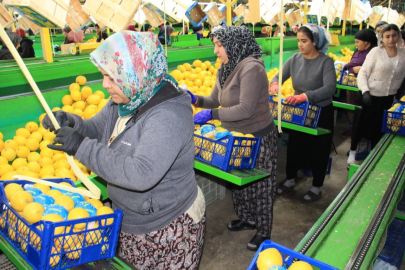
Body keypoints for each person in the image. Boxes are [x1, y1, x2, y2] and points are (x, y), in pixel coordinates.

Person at [41, 31, 205, 269]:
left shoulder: (169, 115)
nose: (105, 84)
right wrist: (71, 122)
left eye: (112, 78)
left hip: (168, 227)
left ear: (135, 74)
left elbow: (141, 173)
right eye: (104, 76)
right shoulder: (130, 97)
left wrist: (80, 146)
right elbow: (98, 128)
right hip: (131, 220)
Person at [188, 26, 277, 251]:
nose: (215, 50)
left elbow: (245, 109)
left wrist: (213, 115)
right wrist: (196, 99)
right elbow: (215, 99)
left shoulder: (251, 68)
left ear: (235, 43)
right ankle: (246, 218)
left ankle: (264, 231)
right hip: (235, 137)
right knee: (239, 183)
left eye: (219, 44)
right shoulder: (225, 68)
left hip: (258, 137)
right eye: (215, 44)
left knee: (260, 186)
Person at [270, 24, 336, 201]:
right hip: (300, 112)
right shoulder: (294, 59)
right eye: (298, 40)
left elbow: (330, 88)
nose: (300, 44)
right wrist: (275, 83)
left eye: (304, 41)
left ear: (315, 41)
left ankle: (316, 186)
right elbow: (278, 76)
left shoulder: (326, 62)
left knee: (319, 150)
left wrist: (305, 96)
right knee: (295, 146)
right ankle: (290, 179)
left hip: (321, 112)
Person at [349, 24, 405, 165]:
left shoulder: (403, 54)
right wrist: (365, 91)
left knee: (378, 128)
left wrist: (399, 94)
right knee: (360, 125)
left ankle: (373, 157)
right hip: (369, 95)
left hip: (388, 98)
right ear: (382, 38)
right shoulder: (375, 52)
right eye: (387, 36)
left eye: (394, 35)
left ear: (398, 36)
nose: (391, 39)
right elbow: (363, 73)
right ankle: (353, 153)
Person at [342, 29, 377, 136]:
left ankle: (360, 131)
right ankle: (353, 128)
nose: (356, 44)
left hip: (364, 87)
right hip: (351, 83)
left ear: (366, 42)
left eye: (358, 42)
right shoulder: (357, 51)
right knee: (350, 106)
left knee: (360, 110)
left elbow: (378, 70)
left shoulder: (373, 52)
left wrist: (362, 69)